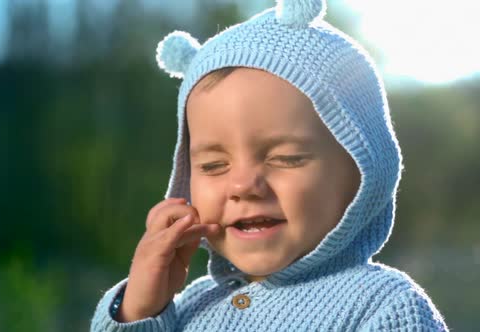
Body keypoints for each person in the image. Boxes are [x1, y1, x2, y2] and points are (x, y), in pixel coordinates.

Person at [91, 0, 448, 330]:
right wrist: (138, 309)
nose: (243, 185)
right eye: (215, 165)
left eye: (286, 158)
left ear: (363, 174)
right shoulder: (185, 309)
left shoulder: (384, 306)